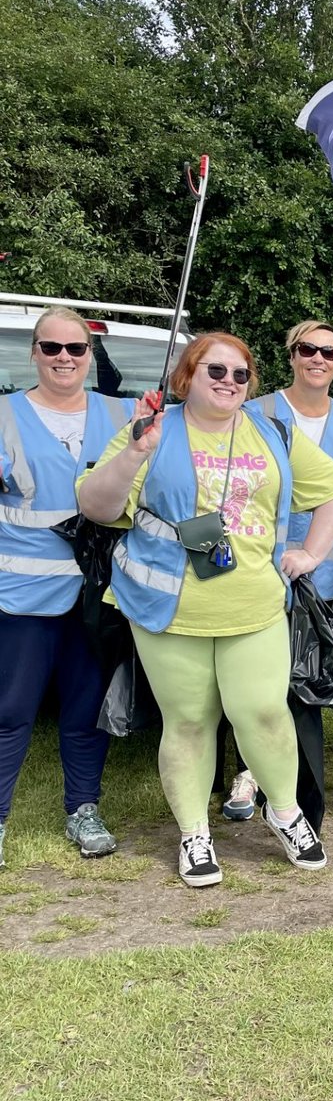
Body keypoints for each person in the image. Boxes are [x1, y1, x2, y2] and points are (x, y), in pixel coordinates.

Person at [78, 333, 333, 887]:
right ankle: (194, 835)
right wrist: (136, 451)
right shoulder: (155, 430)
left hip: (255, 606)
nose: (229, 381)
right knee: (188, 722)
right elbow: (95, 504)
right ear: (187, 375)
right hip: (167, 608)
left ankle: (285, 812)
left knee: (265, 713)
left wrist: (311, 553)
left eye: (240, 373)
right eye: (216, 370)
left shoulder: (272, 431)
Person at [0, 307, 134, 868]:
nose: (63, 358)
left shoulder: (123, 413)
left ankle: (83, 808)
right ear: (33, 352)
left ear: (89, 356)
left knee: (86, 711)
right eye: (51, 347)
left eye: (76, 349)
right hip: (21, 599)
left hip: (96, 599)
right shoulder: (5, 415)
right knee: (10, 711)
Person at [224, 320, 333, 822]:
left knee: (296, 680)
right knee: (252, 680)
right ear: (291, 355)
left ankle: (288, 785)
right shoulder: (255, 412)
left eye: (329, 351)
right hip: (257, 567)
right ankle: (248, 772)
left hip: (319, 577)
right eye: (307, 349)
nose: (318, 359)